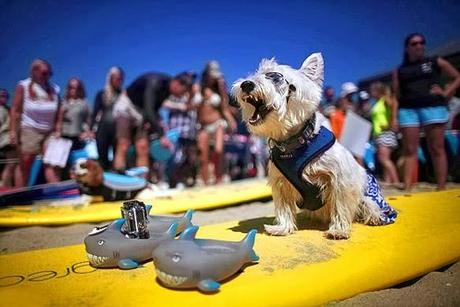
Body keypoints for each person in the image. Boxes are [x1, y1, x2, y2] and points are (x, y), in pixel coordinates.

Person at [392, 33, 460, 190]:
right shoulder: (400, 70)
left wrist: (446, 92)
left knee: (436, 147)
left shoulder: (435, 61)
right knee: (409, 150)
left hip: (433, 107)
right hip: (408, 110)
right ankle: (407, 187)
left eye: (421, 42)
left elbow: (457, 77)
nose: (419, 46)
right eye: (414, 43)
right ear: (407, 47)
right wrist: (394, 117)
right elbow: (396, 96)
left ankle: (441, 186)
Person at [112, 71, 196, 174]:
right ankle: (118, 174)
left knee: (143, 146)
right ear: (177, 83)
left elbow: (154, 108)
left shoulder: (168, 90)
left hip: (142, 112)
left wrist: (149, 121)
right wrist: (161, 135)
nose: (182, 95)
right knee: (123, 143)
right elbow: (149, 108)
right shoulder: (156, 81)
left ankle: (141, 182)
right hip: (127, 105)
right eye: (183, 92)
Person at [9, 59, 62, 186]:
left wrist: (58, 128)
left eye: (49, 73)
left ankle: (57, 193)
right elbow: (15, 110)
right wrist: (13, 131)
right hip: (30, 128)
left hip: (49, 131)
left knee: (52, 162)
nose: (47, 76)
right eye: (44, 73)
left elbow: (59, 110)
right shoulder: (23, 86)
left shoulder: (54, 89)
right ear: (34, 71)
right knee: (26, 162)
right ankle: (20, 194)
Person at [197, 61, 236, 185]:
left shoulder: (218, 91)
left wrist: (221, 88)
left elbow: (224, 107)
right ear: (207, 74)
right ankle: (205, 182)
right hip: (203, 126)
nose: (214, 77)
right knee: (203, 156)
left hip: (217, 123)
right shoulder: (198, 88)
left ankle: (218, 180)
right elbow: (193, 107)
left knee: (218, 151)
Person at [92, 67, 124, 170]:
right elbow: (95, 113)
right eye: (115, 78)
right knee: (102, 159)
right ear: (110, 78)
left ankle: (118, 182)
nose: (118, 80)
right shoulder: (102, 94)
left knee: (117, 158)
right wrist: (91, 129)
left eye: (120, 78)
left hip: (118, 130)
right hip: (103, 129)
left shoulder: (123, 95)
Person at [369, 82, 400, 185]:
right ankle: (388, 180)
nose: (371, 93)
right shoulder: (378, 102)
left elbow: (394, 105)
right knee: (385, 158)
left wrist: (392, 121)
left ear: (378, 91)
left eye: (373, 90)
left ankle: (395, 181)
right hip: (380, 134)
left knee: (383, 158)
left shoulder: (385, 99)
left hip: (385, 132)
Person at [57, 78, 91, 150]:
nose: (73, 89)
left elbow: (89, 121)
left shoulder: (84, 103)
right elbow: (58, 120)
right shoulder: (63, 102)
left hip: (77, 138)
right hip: (63, 137)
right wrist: (58, 132)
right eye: (71, 87)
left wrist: (87, 133)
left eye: (76, 87)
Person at [0, 89, 17, 188]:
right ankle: (5, 187)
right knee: (11, 164)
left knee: (11, 164)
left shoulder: (7, 108)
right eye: (1, 95)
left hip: (8, 140)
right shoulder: (2, 110)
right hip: (5, 140)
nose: (3, 97)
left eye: (5, 96)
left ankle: (8, 186)